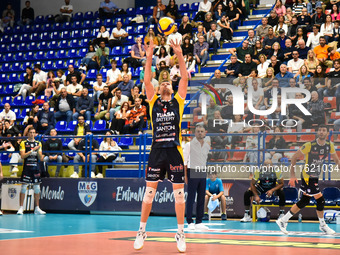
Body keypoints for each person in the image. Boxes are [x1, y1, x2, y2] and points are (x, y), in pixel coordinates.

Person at [133, 37, 188, 252]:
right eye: (162, 82)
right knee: (149, 194)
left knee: (179, 195)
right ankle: (141, 231)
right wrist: (148, 57)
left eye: (168, 82)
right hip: (156, 151)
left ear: (172, 86)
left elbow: (184, 78)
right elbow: (147, 81)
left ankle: (180, 233)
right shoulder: (153, 101)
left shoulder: (179, 101)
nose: (165, 83)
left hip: (174, 151)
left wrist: (179, 54)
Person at [276, 125, 337, 235]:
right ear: (317, 132)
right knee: (320, 200)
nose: (321, 132)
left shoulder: (329, 145)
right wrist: (292, 175)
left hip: (315, 176)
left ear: (328, 133)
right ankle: (323, 225)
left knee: (304, 201)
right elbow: (294, 157)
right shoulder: (309, 145)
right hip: (307, 176)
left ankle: (283, 220)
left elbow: (337, 160)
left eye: (324, 130)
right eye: (320, 130)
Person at [183, 124, 210, 230]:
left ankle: (199, 222)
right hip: (192, 171)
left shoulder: (207, 145)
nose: (200, 133)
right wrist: (185, 176)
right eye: (198, 131)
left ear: (205, 133)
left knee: (201, 197)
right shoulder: (189, 145)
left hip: (202, 171)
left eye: (202, 131)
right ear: (195, 133)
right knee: (191, 197)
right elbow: (185, 161)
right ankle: (189, 221)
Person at [17, 127, 46, 215]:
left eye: (34, 132)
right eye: (30, 132)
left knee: (37, 188)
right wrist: (32, 150)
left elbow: (40, 158)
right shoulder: (23, 143)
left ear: (35, 134)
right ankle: (21, 208)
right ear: (28, 134)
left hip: (35, 168)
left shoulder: (38, 143)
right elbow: (22, 156)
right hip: (27, 168)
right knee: (23, 188)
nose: (32, 134)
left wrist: (37, 151)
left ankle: (37, 208)